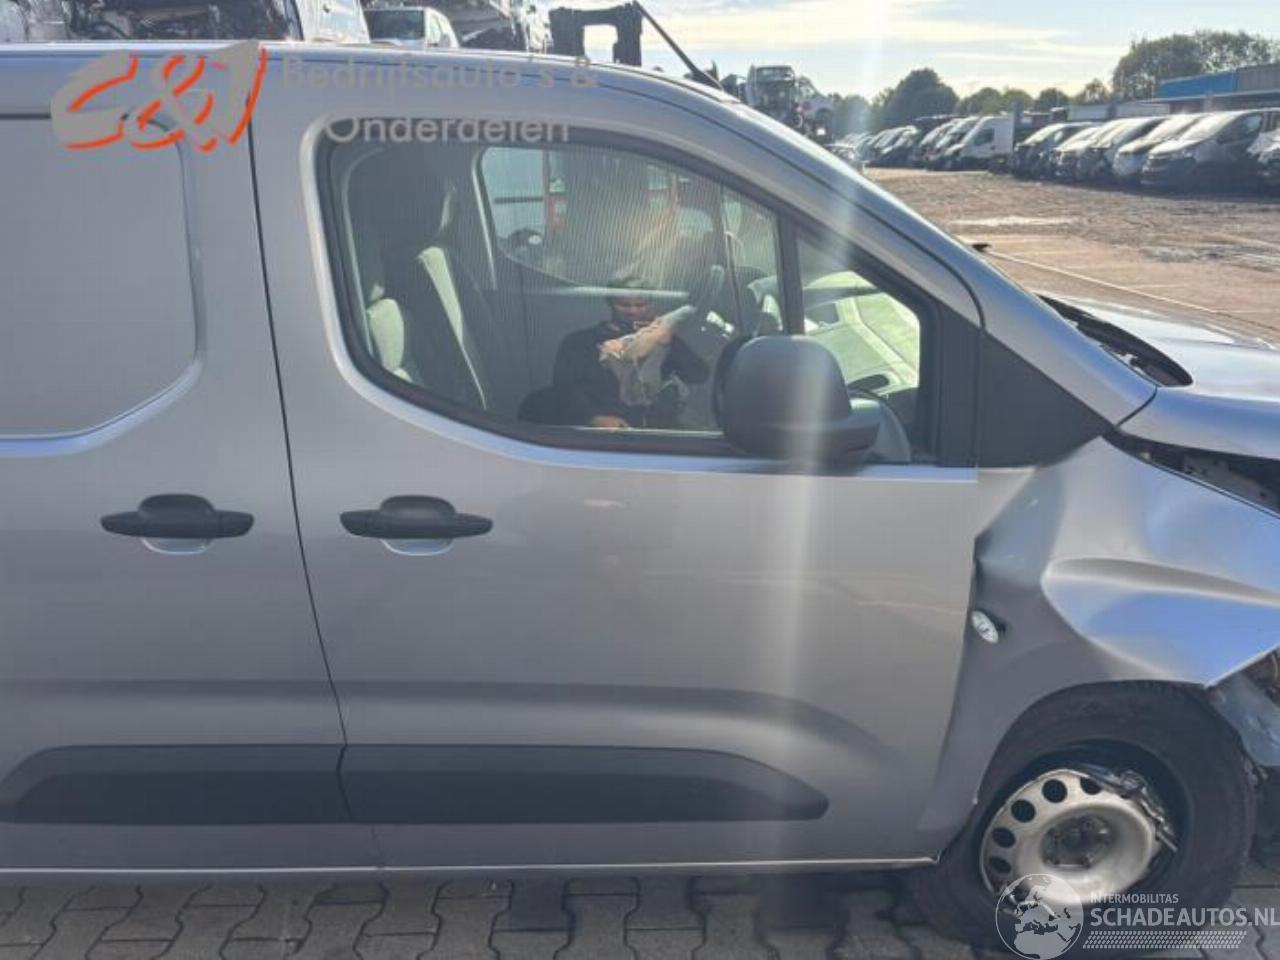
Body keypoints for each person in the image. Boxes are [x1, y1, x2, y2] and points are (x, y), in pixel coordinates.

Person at [551, 273, 711, 430]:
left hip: (659, 434)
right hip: (601, 434)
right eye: (624, 305)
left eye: (640, 305)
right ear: (609, 302)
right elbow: (565, 388)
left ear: (651, 304)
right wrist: (593, 418)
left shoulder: (662, 340)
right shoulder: (580, 342)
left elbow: (699, 375)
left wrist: (670, 342)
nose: (632, 311)